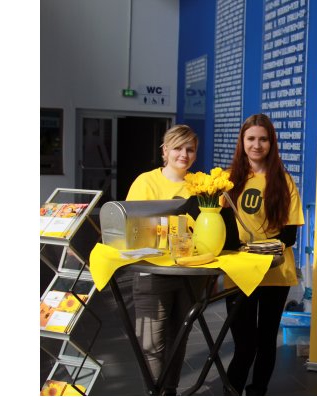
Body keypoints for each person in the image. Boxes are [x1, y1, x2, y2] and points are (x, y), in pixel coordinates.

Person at [223, 114, 305, 396]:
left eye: (263, 139)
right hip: (239, 272)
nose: (257, 145)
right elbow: (220, 229)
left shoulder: (283, 181)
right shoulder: (226, 181)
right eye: (251, 139)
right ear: (242, 142)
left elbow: (289, 236)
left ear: (271, 143)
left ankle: (258, 391)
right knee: (245, 345)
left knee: (267, 339)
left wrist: (255, 250)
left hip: (275, 272)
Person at [126, 124, 203, 395]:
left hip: (188, 274)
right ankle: (155, 392)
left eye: (190, 149)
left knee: (178, 339)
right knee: (152, 343)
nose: (184, 154)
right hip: (152, 273)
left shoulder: (199, 186)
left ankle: (169, 390)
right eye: (178, 148)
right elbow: (133, 230)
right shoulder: (145, 182)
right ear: (165, 150)